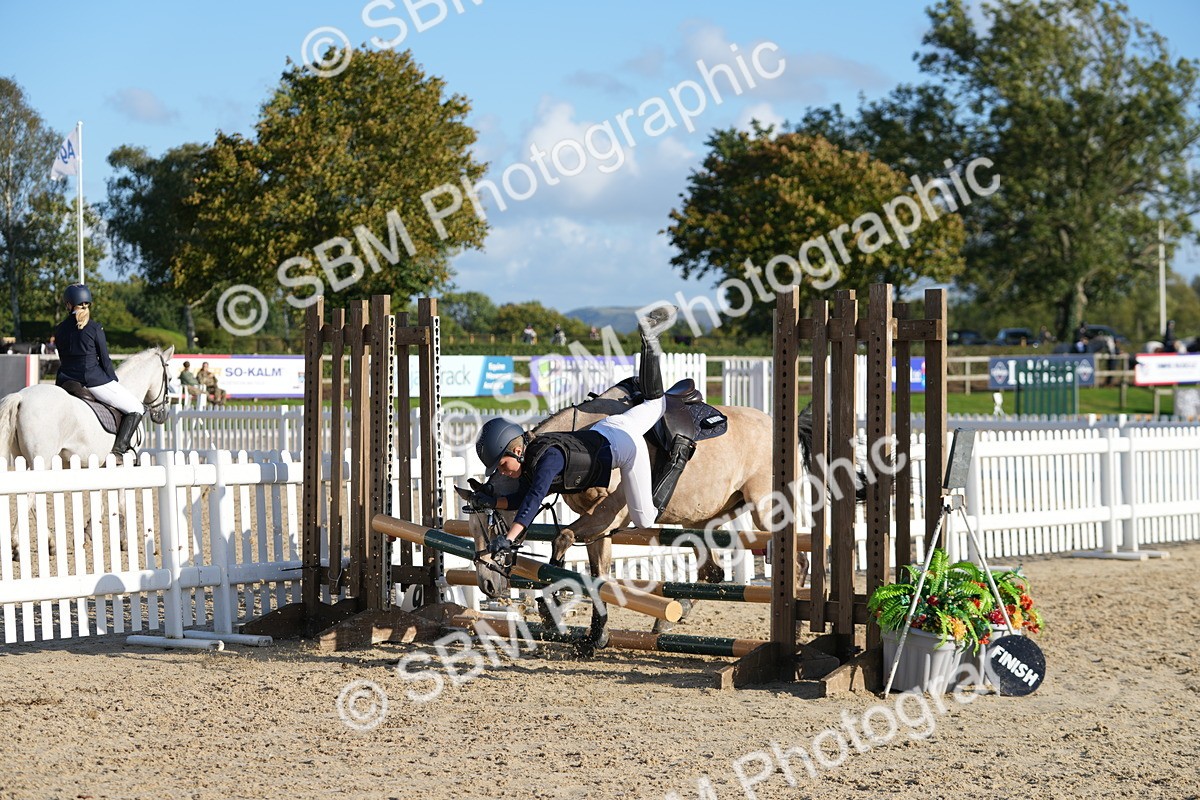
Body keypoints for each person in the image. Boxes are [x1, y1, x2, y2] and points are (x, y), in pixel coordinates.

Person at [472, 306, 678, 557]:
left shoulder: (547, 460)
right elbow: (521, 499)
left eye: (502, 465)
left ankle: (675, 466)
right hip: (611, 426)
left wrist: (509, 538)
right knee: (656, 403)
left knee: (645, 519)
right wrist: (493, 503)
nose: (502, 472)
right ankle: (650, 339)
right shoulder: (537, 454)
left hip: (627, 446)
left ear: (516, 451)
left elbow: (533, 500)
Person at [53, 284, 145, 457]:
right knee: (136, 408)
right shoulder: (95, 327)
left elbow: (63, 358)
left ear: (68, 304)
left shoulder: (59, 329)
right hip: (92, 380)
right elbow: (104, 359)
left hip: (65, 380)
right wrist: (113, 380)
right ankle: (119, 450)